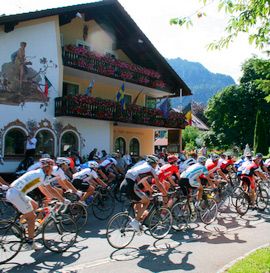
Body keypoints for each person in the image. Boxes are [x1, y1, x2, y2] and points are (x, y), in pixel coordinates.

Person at [6, 158, 69, 250]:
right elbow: (51, 189)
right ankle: (30, 242)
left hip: (14, 192)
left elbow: (43, 189)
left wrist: (52, 198)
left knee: (35, 205)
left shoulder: (38, 173)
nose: (52, 170)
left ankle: (20, 223)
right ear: (47, 168)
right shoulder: (42, 175)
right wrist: (63, 200)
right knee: (32, 217)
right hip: (17, 194)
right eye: (51, 168)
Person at [120, 155, 167, 232]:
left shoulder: (143, 166)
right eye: (156, 164)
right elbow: (158, 184)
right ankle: (135, 222)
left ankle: (137, 221)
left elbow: (144, 182)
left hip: (124, 184)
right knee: (147, 201)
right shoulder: (151, 169)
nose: (156, 166)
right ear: (153, 164)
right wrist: (165, 193)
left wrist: (151, 190)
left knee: (138, 201)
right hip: (131, 185)